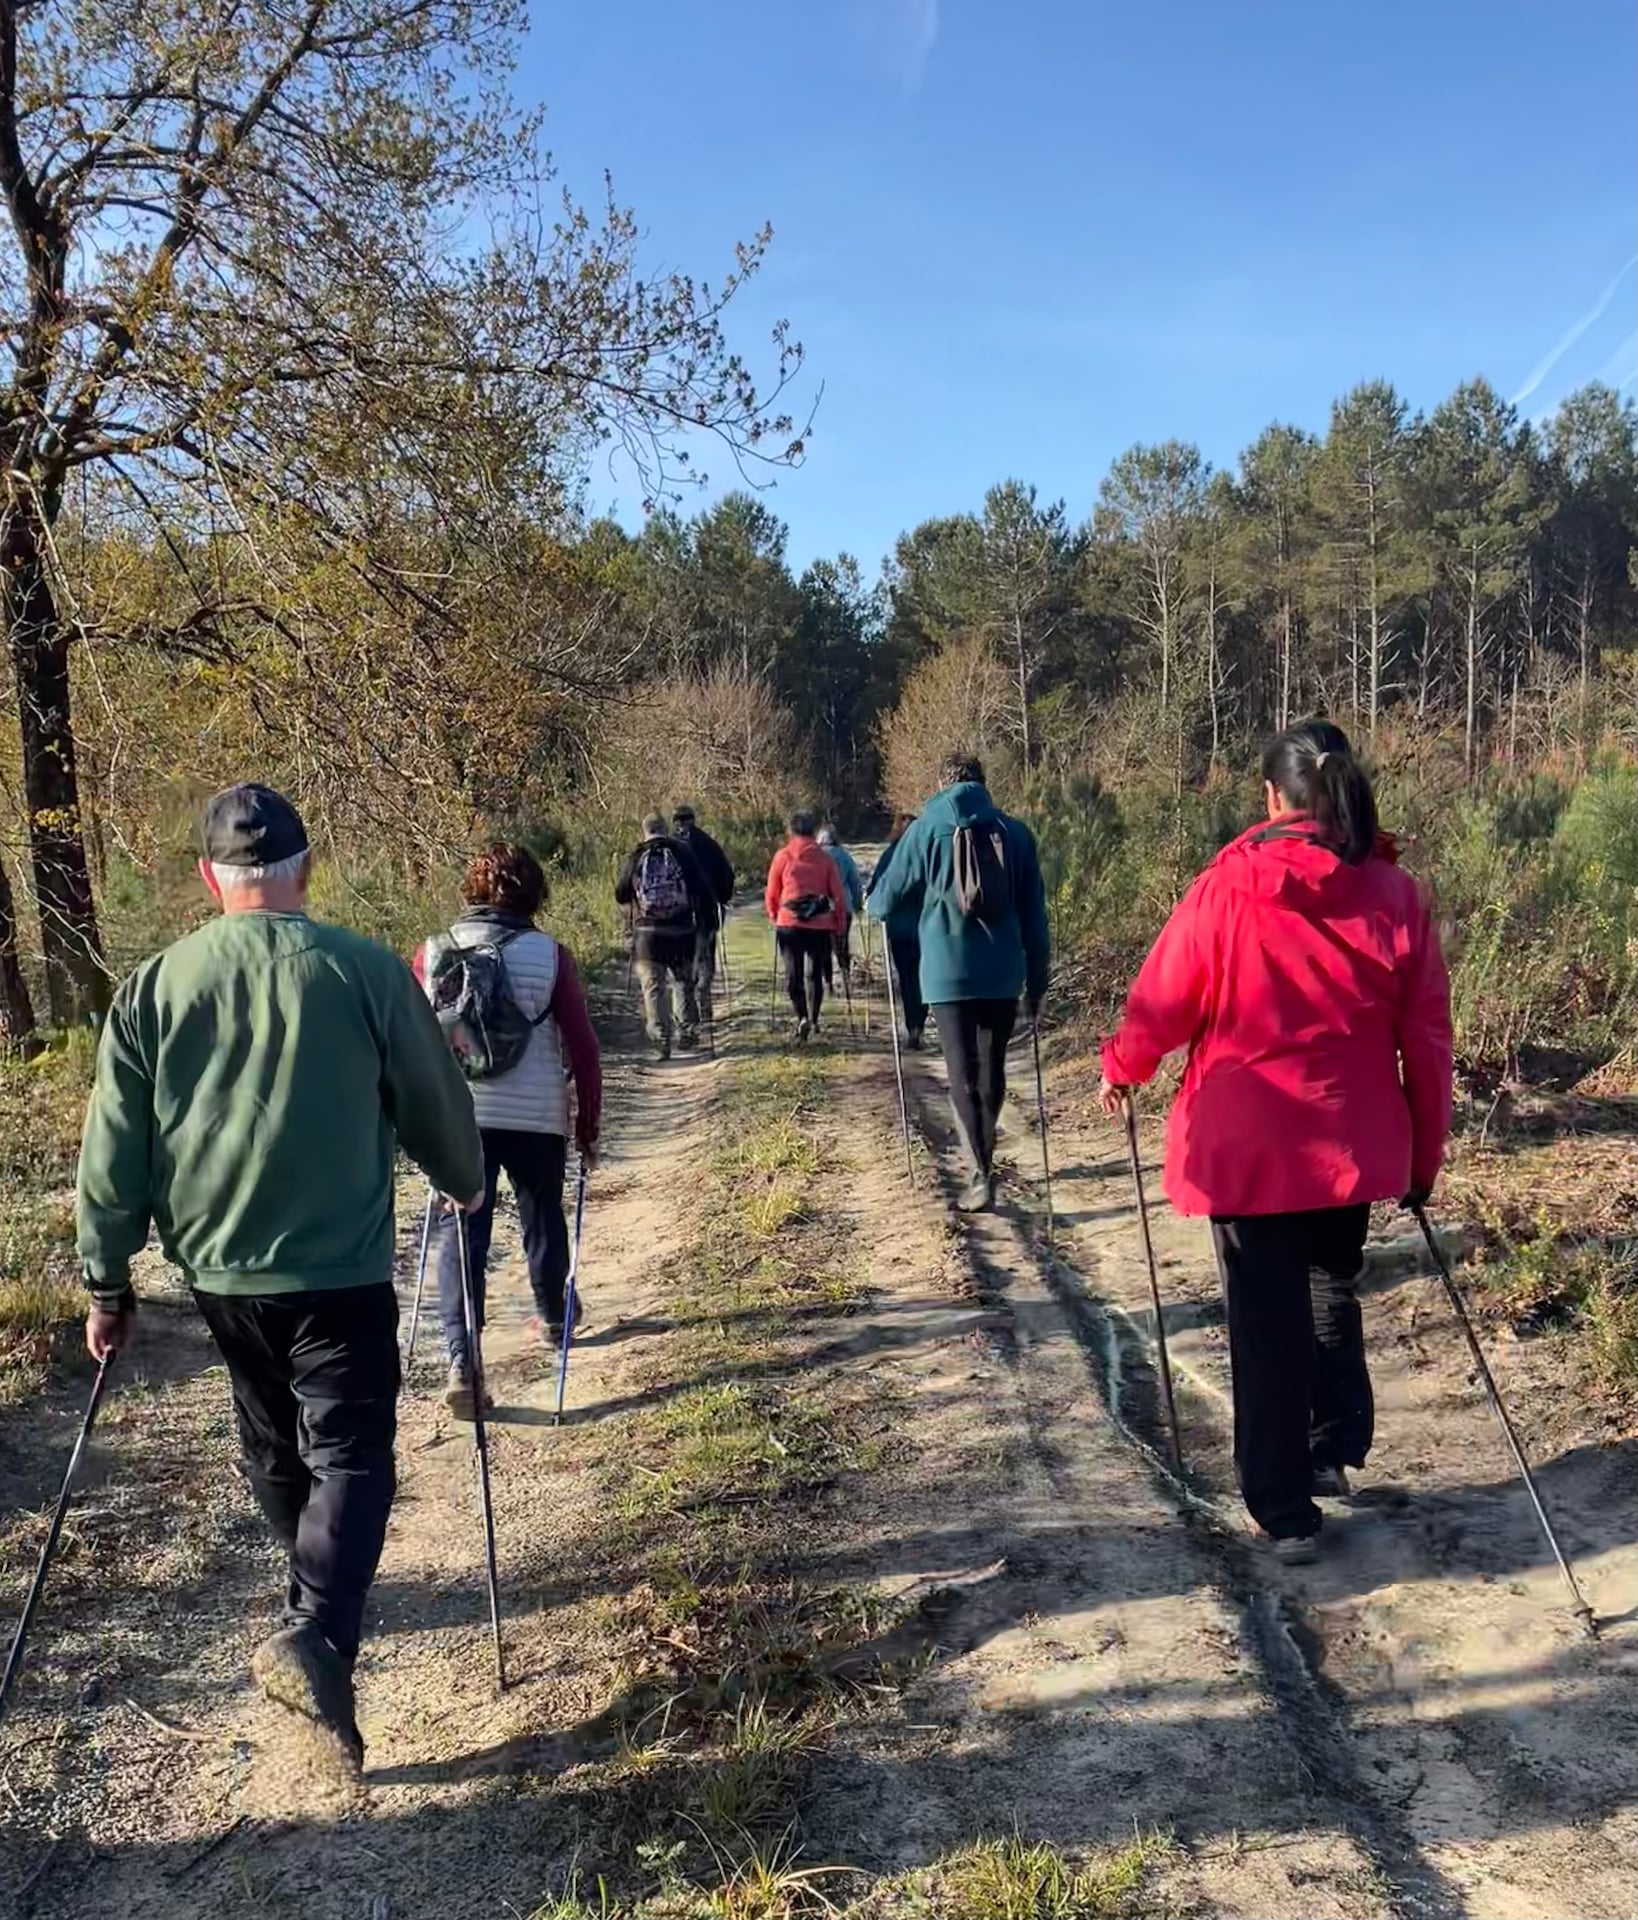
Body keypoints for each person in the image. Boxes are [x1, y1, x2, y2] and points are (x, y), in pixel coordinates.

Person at [76, 784, 483, 1774]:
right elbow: (431, 1098)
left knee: (271, 1437)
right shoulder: (364, 972)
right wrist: (465, 1180)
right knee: (351, 1451)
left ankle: (311, 1605)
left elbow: (114, 1144)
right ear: (304, 870)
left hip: (218, 1270)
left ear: (211, 878)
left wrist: (106, 1279)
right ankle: (316, 1629)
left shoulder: (154, 987)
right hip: (337, 1266)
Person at [1098, 720, 1453, 1566]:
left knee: (1266, 1321)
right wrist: (1423, 1156)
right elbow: (1428, 1038)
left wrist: (1123, 1067)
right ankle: (1330, 1448)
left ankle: (1284, 1507)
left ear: (1272, 796)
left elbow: (1161, 1004)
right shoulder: (1397, 894)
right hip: (1349, 1142)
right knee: (1331, 1289)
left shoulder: (1225, 889)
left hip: (1249, 1144)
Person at [412, 843, 602, 1418]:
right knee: (542, 1216)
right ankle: (551, 1314)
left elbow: (411, 1045)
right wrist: (587, 1125)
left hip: (458, 1117)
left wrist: (412, 1121)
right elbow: (585, 1048)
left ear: (471, 889)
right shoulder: (551, 955)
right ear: (534, 893)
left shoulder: (434, 950)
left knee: (460, 1232)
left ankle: (462, 1359)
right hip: (536, 1115)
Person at [867, 755, 1049, 1211]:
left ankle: (980, 1172)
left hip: (946, 975)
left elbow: (884, 900)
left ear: (941, 784)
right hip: (1004, 972)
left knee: (961, 1074)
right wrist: (1039, 982)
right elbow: (1035, 919)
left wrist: (903, 912)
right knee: (993, 1071)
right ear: (983, 784)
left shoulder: (925, 830)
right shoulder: (1015, 834)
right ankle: (985, 1156)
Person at [615, 813, 711, 1059]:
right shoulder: (682, 852)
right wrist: (703, 920)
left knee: (653, 987)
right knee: (683, 982)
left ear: (644, 831)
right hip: (681, 932)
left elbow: (621, 894)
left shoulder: (636, 856)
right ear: (665, 829)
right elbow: (701, 888)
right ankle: (687, 1030)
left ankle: (661, 1038)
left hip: (647, 935)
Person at [764, 809, 848, 1041]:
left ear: (790, 831)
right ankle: (814, 1018)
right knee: (815, 974)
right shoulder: (825, 858)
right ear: (813, 832)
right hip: (820, 923)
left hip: (789, 923)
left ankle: (801, 1016)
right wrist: (839, 923)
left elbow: (772, 892)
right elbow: (838, 894)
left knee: (794, 974)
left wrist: (774, 915)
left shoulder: (782, 856)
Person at [866, 811, 927, 1050]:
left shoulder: (890, 855)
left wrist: (876, 908)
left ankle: (913, 1025)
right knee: (922, 979)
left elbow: (875, 891)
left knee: (906, 978)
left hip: (899, 930)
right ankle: (918, 1025)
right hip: (926, 929)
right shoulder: (928, 855)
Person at [671, 804, 736, 1003]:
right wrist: (722, 899)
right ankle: (703, 998)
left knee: (682, 958)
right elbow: (727, 875)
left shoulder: (669, 845)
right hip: (706, 909)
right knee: (705, 956)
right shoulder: (708, 843)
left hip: (677, 913)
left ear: (675, 822)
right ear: (693, 819)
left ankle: (686, 1009)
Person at [816, 824, 864, 969]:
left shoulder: (816, 856)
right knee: (842, 945)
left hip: (820, 907)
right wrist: (858, 904)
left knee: (824, 947)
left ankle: (828, 982)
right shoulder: (845, 856)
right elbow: (855, 883)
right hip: (844, 906)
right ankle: (845, 976)